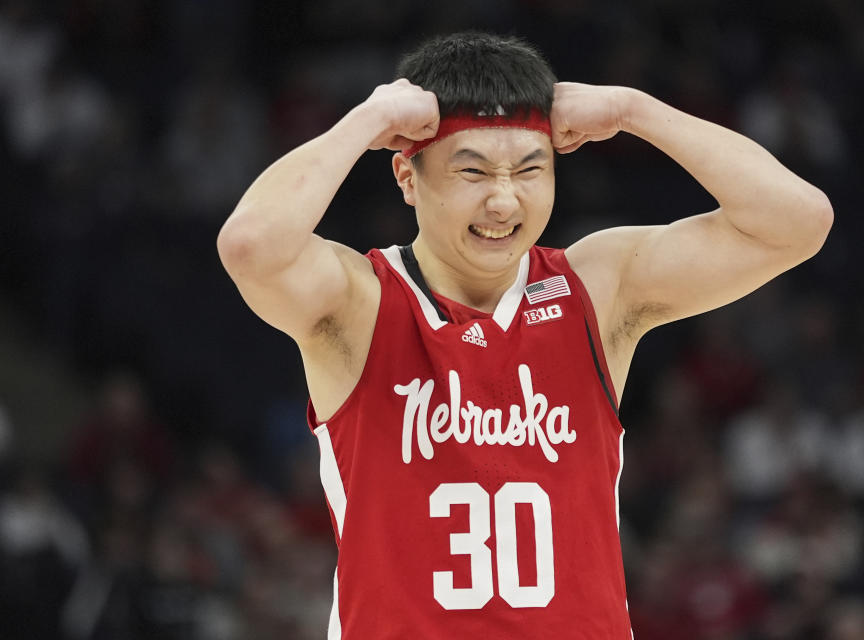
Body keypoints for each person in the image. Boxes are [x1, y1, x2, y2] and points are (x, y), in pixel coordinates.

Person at [217, 32, 832, 640]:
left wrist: (633, 110)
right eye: (473, 171)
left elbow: (798, 222)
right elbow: (251, 246)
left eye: (529, 170)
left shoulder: (596, 288)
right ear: (407, 176)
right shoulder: (361, 303)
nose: (504, 201)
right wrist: (367, 119)